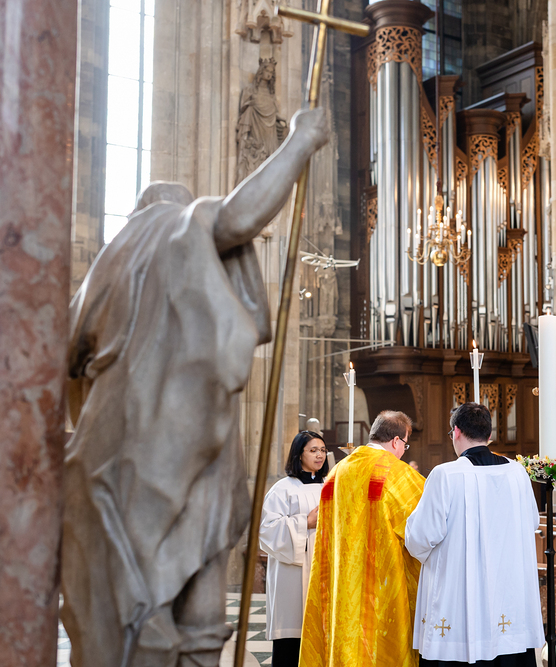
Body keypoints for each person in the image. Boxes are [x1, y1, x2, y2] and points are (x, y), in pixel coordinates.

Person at [61, 108, 331, 667]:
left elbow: (65, 370)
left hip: (121, 445)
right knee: (189, 593)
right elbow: (238, 216)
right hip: (177, 439)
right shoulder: (170, 228)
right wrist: (301, 140)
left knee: (138, 595)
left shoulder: (103, 271)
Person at [405, 403, 543, 667]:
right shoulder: (517, 472)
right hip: (507, 589)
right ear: (489, 435)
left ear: (456, 431)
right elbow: (531, 522)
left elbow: (421, 536)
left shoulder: (445, 474)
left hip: (459, 589)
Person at [300, 410, 425, 667]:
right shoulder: (397, 473)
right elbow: (425, 530)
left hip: (341, 584)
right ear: (396, 441)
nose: (404, 452)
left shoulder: (337, 472)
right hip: (381, 588)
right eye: (405, 445)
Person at [260, 431, 330, 667]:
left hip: (324, 570)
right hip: (292, 575)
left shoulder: (330, 486)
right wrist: (305, 523)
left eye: (323, 450)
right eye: (313, 450)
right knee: (292, 640)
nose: (319, 455)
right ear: (299, 454)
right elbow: (267, 529)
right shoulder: (283, 489)